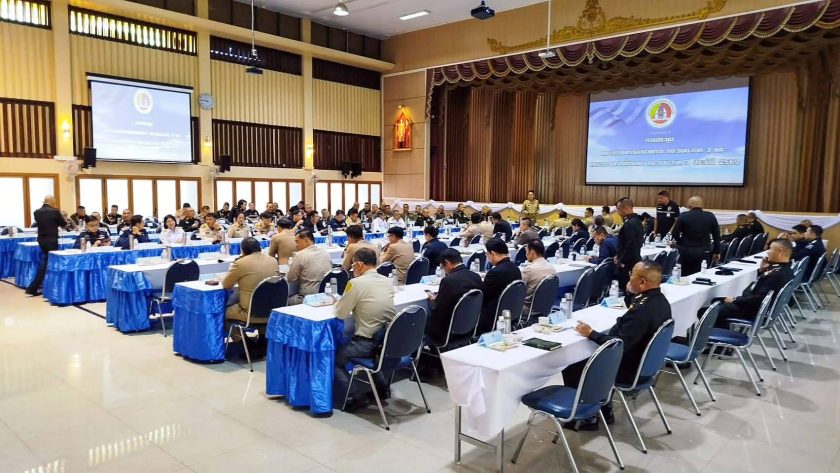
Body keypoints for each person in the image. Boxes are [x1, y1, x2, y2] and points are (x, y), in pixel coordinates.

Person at [564, 261, 672, 431]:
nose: (629, 277)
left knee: (575, 361)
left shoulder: (642, 310)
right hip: (646, 365)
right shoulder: (661, 302)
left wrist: (591, 333)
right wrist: (630, 292)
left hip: (629, 369)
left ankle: (586, 416)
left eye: (632, 274)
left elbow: (618, 344)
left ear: (642, 282)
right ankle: (604, 409)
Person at [334, 247, 396, 411]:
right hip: (387, 341)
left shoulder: (355, 283)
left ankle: (356, 395)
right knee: (375, 354)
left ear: (360, 265)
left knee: (334, 360)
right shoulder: (387, 281)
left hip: (367, 344)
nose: (352, 268)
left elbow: (340, 314)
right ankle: (382, 389)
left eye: (353, 265)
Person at [708, 239, 794, 328]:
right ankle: (721, 331)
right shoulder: (786, 270)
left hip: (753, 310)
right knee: (717, 301)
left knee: (709, 311)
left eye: (771, 249)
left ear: (780, 251)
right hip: (755, 306)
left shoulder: (778, 274)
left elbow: (759, 299)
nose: (768, 252)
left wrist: (735, 300)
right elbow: (760, 288)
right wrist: (761, 271)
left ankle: (718, 334)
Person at [426, 248, 483, 346]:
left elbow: (439, 309)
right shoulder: (476, 276)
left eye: (442, 266)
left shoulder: (448, 281)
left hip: (447, 330)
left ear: (447, 263)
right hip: (470, 326)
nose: (444, 269)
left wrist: (433, 301)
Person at [222, 237, 280, 324]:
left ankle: (237, 333)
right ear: (259, 248)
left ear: (243, 251)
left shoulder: (240, 263)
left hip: (250, 313)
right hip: (271, 312)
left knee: (222, 311)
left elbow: (226, 285)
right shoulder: (273, 260)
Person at [26, 196, 67, 296]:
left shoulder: (36, 212)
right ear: (51, 202)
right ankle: (34, 287)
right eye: (54, 201)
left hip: (41, 239)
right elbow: (63, 224)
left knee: (46, 260)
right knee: (48, 262)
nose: (55, 203)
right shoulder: (54, 211)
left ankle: (41, 286)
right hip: (51, 239)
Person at [479, 238, 521, 333]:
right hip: (512, 312)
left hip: (493, 317)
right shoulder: (515, 268)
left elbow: (483, 298)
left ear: (492, 253)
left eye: (487, 254)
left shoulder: (495, 273)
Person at [671, 196, 721, 276]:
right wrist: (717, 251)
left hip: (687, 251)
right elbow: (716, 236)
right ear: (702, 205)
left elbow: (674, 233)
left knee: (685, 276)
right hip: (704, 251)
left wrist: (681, 243)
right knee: (702, 275)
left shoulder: (683, 216)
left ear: (689, 205)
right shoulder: (710, 216)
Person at [287, 229, 332, 304]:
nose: (296, 245)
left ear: (306, 241)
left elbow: (290, 277)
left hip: (308, 298)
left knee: (283, 300)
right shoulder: (325, 252)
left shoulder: (300, 255)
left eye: (297, 242)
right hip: (326, 294)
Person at [615, 197, 644, 302]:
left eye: (619, 209)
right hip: (635, 260)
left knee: (627, 290)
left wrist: (621, 260)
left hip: (628, 263)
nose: (618, 212)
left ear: (626, 208)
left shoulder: (629, 224)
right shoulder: (637, 221)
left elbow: (629, 246)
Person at [521, 240, 555, 318]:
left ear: (532, 252)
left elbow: (518, 290)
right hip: (545, 307)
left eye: (526, 251)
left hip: (528, 308)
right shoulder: (552, 268)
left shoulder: (529, 269)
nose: (525, 255)